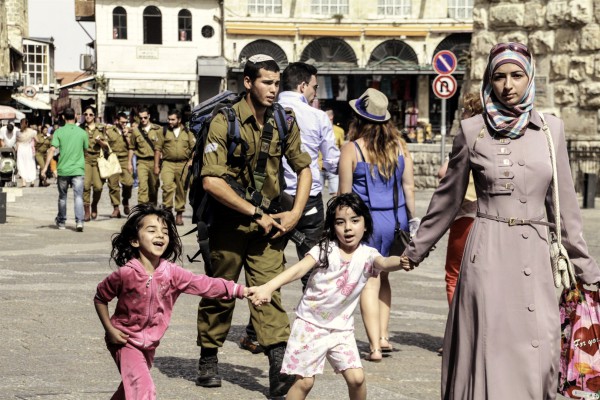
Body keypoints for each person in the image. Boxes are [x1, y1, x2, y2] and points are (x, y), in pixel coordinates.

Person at [400, 42, 600, 400]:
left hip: (536, 258)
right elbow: (447, 198)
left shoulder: (550, 130)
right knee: (492, 349)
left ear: (530, 78)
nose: (508, 85)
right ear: (490, 81)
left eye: (516, 75)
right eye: (499, 76)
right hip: (487, 256)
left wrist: (588, 271)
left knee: (539, 349)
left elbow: (565, 207)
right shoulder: (472, 129)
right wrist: (416, 249)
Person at [196, 54, 311, 397]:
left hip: (268, 228)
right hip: (228, 225)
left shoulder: (283, 120)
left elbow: (304, 168)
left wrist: (295, 214)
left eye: (277, 83)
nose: (273, 89)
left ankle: (278, 369)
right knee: (221, 291)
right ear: (248, 82)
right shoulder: (224, 121)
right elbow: (211, 181)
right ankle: (209, 357)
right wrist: (254, 212)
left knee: (269, 291)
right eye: (266, 82)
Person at [248, 193, 409, 400]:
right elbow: (298, 270)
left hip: (340, 330)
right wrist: (268, 287)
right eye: (340, 222)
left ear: (366, 225)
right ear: (333, 227)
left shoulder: (368, 255)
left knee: (357, 379)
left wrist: (404, 260)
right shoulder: (325, 250)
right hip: (310, 326)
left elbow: (386, 263)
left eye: (355, 221)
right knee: (304, 382)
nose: (348, 228)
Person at [94, 204, 248, 400]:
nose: (160, 235)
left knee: (129, 389)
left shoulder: (172, 273)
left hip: (149, 343)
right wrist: (110, 330)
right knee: (143, 389)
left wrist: (239, 290)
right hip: (124, 340)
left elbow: (204, 284)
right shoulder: (125, 274)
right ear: (134, 240)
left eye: (165, 232)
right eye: (152, 230)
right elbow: (100, 297)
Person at [238, 61, 341, 354]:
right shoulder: (318, 117)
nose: (314, 92)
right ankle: (317, 331)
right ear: (302, 86)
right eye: (314, 87)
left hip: (267, 203)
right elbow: (331, 162)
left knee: (266, 268)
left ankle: (256, 332)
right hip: (306, 201)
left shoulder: (264, 111)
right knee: (313, 266)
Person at [338, 88, 416, 362]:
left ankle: (373, 347)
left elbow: (344, 195)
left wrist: (338, 227)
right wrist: (413, 223)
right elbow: (409, 188)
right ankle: (384, 336)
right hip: (396, 220)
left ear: (358, 118)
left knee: (368, 279)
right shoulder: (400, 147)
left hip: (367, 223)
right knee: (384, 276)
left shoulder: (352, 148)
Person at [437, 92, 482, 305]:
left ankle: (458, 332)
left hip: (466, 214)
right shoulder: (497, 137)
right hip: (490, 218)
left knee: (454, 274)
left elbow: (442, 172)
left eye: (464, 110)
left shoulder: (465, 138)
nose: (461, 113)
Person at [41, 108, 89, 231]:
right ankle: (79, 222)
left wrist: (45, 167)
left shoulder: (58, 132)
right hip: (78, 169)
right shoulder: (82, 132)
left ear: (63, 118)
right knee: (78, 197)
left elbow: (52, 150)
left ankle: (62, 221)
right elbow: (86, 150)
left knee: (63, 197)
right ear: (76, 116)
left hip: (63, 169)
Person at [156, 109, 195, 226]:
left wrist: (192, 160)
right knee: (167, 187)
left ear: (179, 120)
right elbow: (157, 149)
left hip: (183, 164)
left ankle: (179, 214)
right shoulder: (163, 131)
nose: (170, 121)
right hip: (168, 163)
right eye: (169, 119)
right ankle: (167, 213)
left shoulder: (188, 132)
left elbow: (194, 149)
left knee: (181, 189)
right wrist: (156, 166)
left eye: (173, 119)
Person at [128, 107, 163, 206]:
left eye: (145, 117)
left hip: (154, 161)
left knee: (153, 187)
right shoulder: (136, 131)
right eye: (141, 118)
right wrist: (129, 163)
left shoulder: (158, 129)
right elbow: (131, 147)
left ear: (149, 116)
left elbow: (162, 146)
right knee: (142, 186)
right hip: (141, 162)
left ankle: (153, 207)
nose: (143, 120)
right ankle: (142, 210)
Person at [80, 106, 109, 221]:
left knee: (98, 187)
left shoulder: (101, 128)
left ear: (94, 116)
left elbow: (107, 146)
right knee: (86, 185)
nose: (88, 116)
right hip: (85, 158)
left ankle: (94, 204)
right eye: (86, 114)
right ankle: (86, 210)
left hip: (98, 159)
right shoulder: (81, 128)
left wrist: (100, 142)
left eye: (90, 114)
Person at [105, 112, 134, 218]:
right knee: (113, 185)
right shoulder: (108, 131)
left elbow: (132, 146)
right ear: (116, 121)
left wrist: (127, 136)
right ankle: (116, 208)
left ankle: (125, 200)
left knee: (128, 183)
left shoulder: (129, 131)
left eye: (126, 122)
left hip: (125, 159)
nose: (124, 124)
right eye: (122, 122)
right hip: (112, 159)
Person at [321, 108, 345, 195]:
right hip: (319, 166)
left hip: (333, 166)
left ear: (331, 117)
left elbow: (342, 148)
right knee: (317, 194)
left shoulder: (339, 131)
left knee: (335, 195)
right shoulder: (318, 129)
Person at [15, 119, 37, 187]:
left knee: (21, 165)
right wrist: (33, 145)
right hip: (29, 148)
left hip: (21, 149)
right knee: (31, 164)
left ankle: (24, 182)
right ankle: (32, 181)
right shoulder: (32, 132)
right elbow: (37, 140)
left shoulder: (17, 132)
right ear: (27, 124)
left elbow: (17, 142)